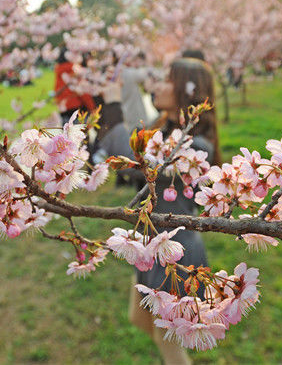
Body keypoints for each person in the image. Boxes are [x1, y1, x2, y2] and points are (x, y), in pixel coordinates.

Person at [94, 57, 220, 365]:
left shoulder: (195, 146)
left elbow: (133, 158)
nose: (158, 85)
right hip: (151, 245)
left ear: (187, 92)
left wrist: (113, 105)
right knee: (139, 318)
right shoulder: (163, 130)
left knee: (170, 348)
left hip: (175, 255)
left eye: (167, 79)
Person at [53, 48, 96, 125]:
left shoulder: (60, 70)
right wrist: (92, 108)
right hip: (77, 108)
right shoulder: (75, 70)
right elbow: (82, 91)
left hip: (64, 109)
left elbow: (57, 91)